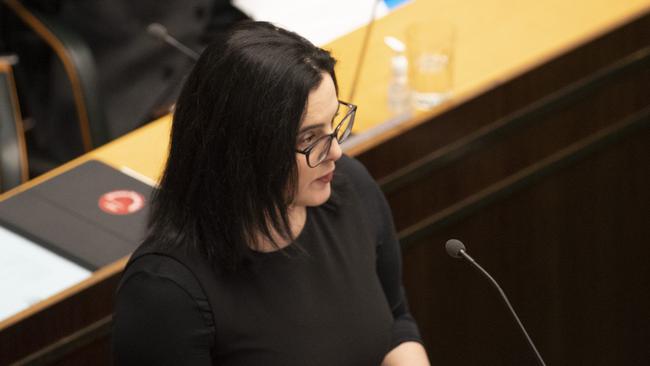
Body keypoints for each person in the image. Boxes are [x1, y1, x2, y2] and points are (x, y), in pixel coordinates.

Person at [112, 21, 430, 366]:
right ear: (243, 154)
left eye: (333, 123)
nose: (335, 151)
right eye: (309, 138)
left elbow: (395, 322)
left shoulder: (349, 186)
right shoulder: (166, 292)